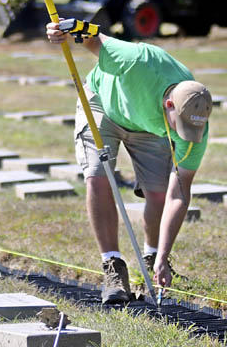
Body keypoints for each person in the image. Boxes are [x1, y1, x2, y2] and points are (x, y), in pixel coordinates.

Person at [46, 20, 212, 304]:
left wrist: (163, 253)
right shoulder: (137, 61)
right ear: (169, 105)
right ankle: (113, 266)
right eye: (180, 128)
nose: (182, 136)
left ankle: (152, 260)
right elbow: (94, 39)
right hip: (103, 103)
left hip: (146, 125)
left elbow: (178, 194)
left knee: (158, 192)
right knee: (99, 178)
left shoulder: (194, 123)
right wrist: (67, 29)